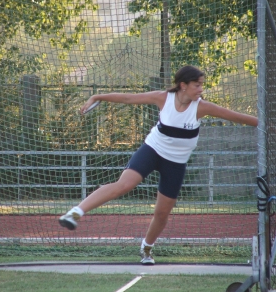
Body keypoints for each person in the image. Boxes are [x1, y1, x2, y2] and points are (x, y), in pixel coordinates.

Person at [59, 65, 258, 265]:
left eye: (201, 85)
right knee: (124, 185)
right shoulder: (162, 98)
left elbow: (237, 117)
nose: (201, 89)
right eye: (197, 85)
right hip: (152, 150)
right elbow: (128, 98)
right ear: (183, 85)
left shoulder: (202, 107)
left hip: (176, 163)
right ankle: (75, 212)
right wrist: (97, 96)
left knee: (162, 213)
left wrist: (271, 126)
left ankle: (146, 248)